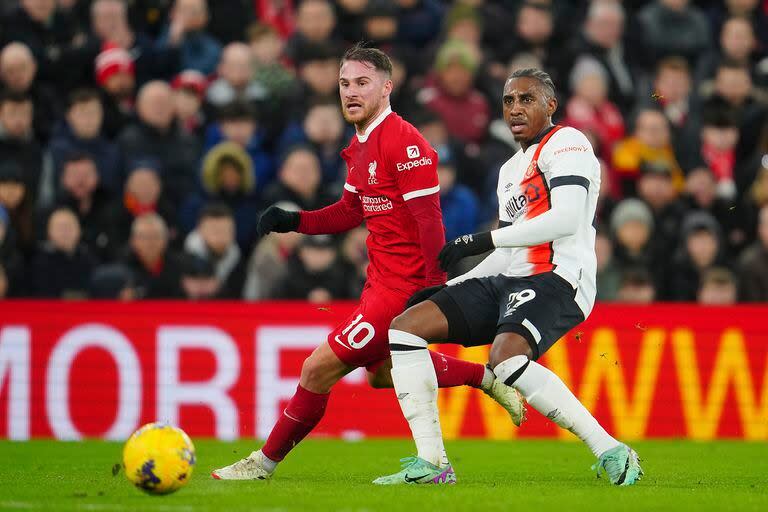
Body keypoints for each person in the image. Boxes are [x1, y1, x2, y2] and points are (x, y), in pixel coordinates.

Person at [211, 44, 524, 481]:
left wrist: (433, 287)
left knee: (316, 369)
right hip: (378, 282)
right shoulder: (361, 144)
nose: (351, 92)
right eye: (344, 84)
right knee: (383, 373)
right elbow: (349, 211)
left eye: (362, 83)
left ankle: (262, 463)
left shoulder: (404, 140)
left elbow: (429, 221)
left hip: (400, 290)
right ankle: (484, 378)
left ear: (386, 87)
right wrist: (295, 220)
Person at [375, 68, 643, 486]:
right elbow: (508, 251)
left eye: (527, 99)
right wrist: (452, 285)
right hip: (511, 279)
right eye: (508, 101)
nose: (515, 108)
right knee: (405, 329)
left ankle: (610, 448)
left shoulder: (568, 143)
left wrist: (483, 238)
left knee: (506, 359)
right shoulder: (507, 172)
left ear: (551, 105)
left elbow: (567, 218)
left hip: (558, 277)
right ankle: (432, 464)